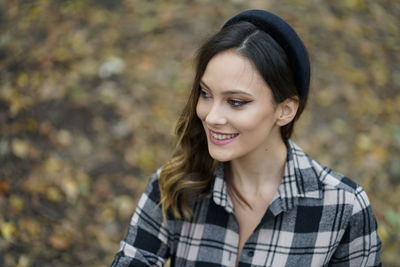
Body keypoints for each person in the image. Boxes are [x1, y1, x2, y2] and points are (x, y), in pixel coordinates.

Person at [111, 10, 381, 267]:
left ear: (285, 110)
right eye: (206, 94)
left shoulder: (344, 207)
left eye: (237, 102)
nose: (212, 116)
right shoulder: (171, 186)